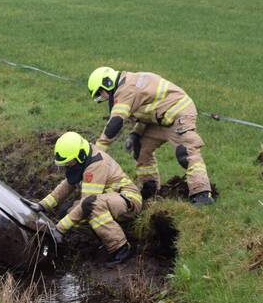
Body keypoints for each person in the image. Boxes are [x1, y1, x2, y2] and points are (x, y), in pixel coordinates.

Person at [88, 66, 214, 206]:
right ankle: (150, 188)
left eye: (100, 92)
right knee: (140, 149)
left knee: (186, 153)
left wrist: (97, 151)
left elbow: (115, 123)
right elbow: (148, 109)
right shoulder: (126, 83)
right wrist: (136, 133)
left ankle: (202, 193)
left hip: (179, 114)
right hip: (159, 119)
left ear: (107, 83)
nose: (103, 97)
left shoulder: (126, 90)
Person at [34, 131, 143, 266]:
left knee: (92, 205)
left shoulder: (96, 165)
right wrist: (43, 205)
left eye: (69, 163)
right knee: (66, 212)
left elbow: (88, 202)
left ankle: (120, 248)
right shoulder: (83, 158)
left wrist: (59, 229)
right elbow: (68, 184)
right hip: (107, 199)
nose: (67, 166)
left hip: (128, 200)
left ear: (80, 155)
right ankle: (104, 237)